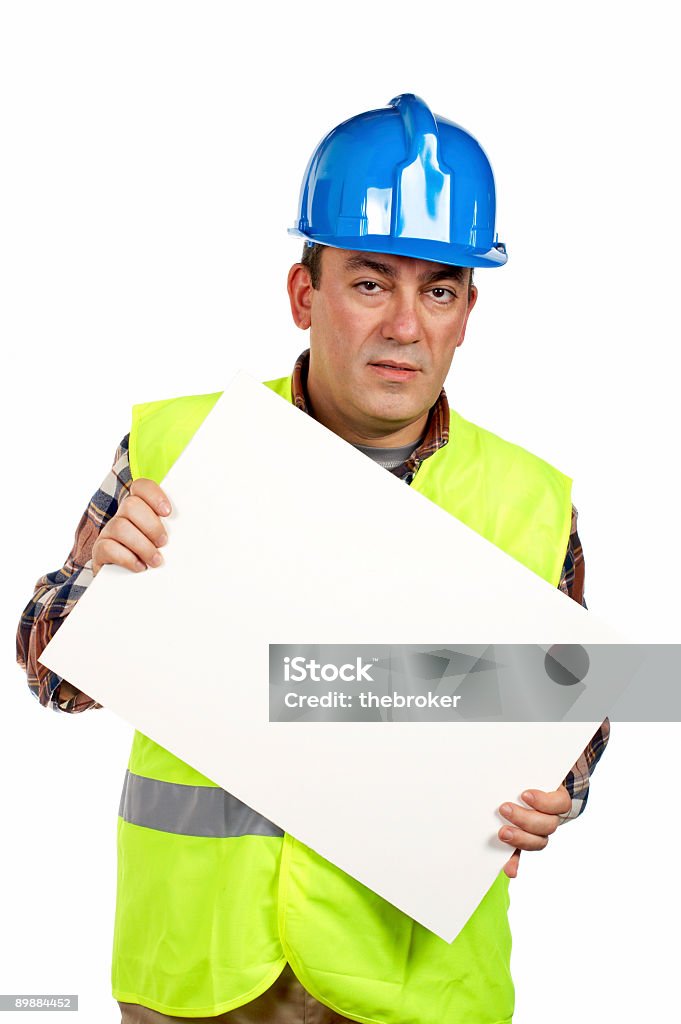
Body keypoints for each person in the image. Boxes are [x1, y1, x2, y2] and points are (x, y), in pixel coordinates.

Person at [16, 94, 610, 1024]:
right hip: (196, 977)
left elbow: (574, 715)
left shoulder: (530, 502)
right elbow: (51, 682)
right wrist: (98, 596)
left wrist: (559, 794)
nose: (406, 325)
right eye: (371, 283)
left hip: (414, 989)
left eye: (439, 288)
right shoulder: (183, 448)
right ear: (306, 294)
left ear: (466, 311)